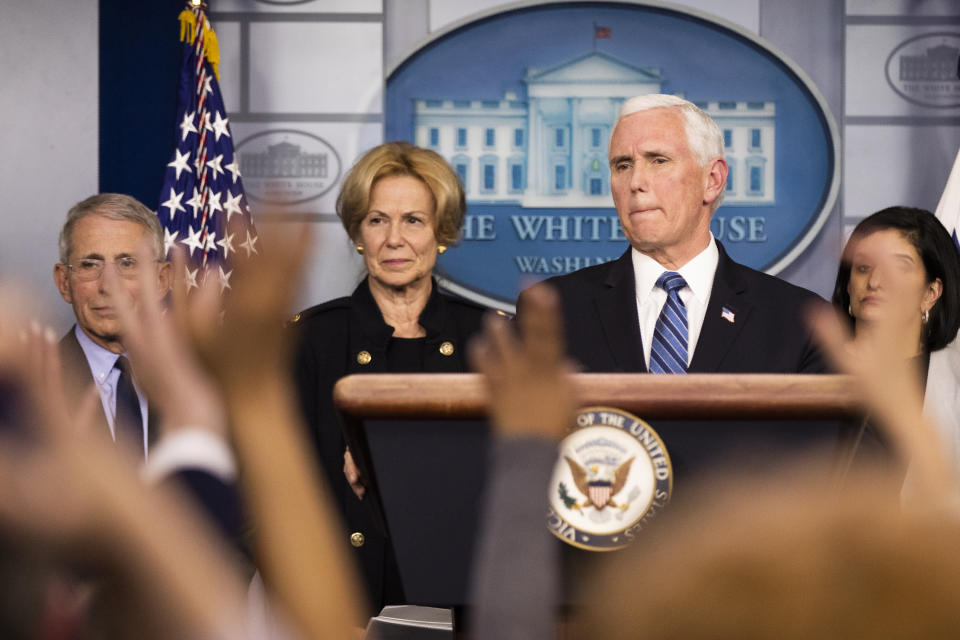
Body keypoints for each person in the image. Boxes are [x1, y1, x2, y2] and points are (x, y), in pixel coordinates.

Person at [518, 94, 830, 481]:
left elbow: (817, 479)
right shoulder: (553, 312)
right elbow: (525, 462)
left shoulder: (797, 321)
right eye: (622, 165)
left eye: (658, 160)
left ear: (712, 180)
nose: (636, 182)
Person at [292, 141, 487, 615]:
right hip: (335, 609)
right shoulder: (308, 342)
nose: (394, 239)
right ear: (359, 232)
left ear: (442, 232)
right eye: (377, 220)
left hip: (468, 608)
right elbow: (271, 494)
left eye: (413, 221)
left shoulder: (491, 338)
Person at [830, 206, 960, 481]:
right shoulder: (812, 366)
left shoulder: (953, 375)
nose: (875, 282)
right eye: (863, 268)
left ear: (931, 292)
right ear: (848, 286)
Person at [53, 193, 171, 459]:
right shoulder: (26, 391)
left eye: (127, 263)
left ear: (161, 281)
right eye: (89, 265)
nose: (108, 286)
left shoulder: (198, 383)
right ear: (64, 282)